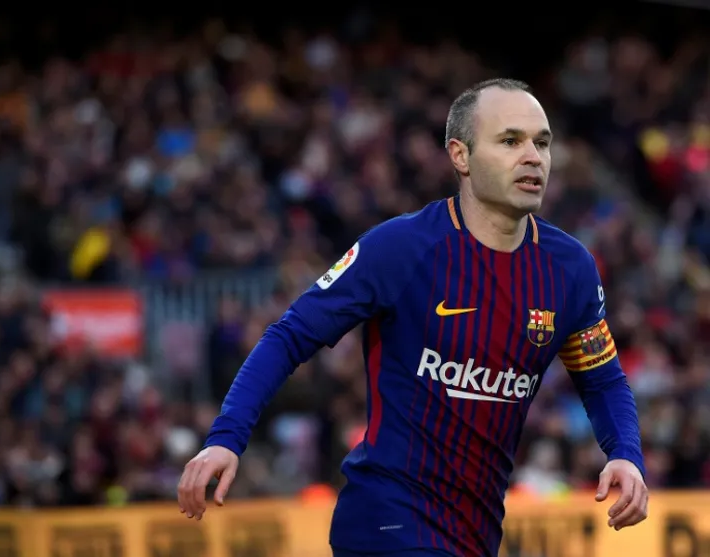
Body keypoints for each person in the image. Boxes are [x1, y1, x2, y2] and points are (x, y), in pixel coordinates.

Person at [177, 78, 649, 557]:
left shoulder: (569, 269)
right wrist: (227, 437)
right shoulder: (400, 249)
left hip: (475, 532)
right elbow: (289, 336)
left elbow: (602, 379)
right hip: (386, 520)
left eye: (541, 143)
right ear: (460, 156)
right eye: (510, 141)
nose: (533, 157)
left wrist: (626, 455)